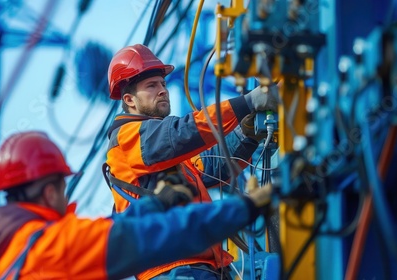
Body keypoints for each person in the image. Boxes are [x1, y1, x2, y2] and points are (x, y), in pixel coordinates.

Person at [0, 131, 273, 280]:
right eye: (64, 187)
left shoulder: (14, 257)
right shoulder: (52, 247)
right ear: (50, 191)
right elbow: (158, 236)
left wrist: (158, 203)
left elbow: (111, 230)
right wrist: (246, 207)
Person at [104, 44, 278, 279]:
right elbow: (184, 132)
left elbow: (215, 167)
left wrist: (246, 135)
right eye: (152, 85)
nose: (163, 90)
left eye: (163, 84)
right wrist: (246, 103)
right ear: (129, 100)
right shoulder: (128, 137)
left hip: (196, 267)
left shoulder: (160, 153)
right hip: (174, 269)